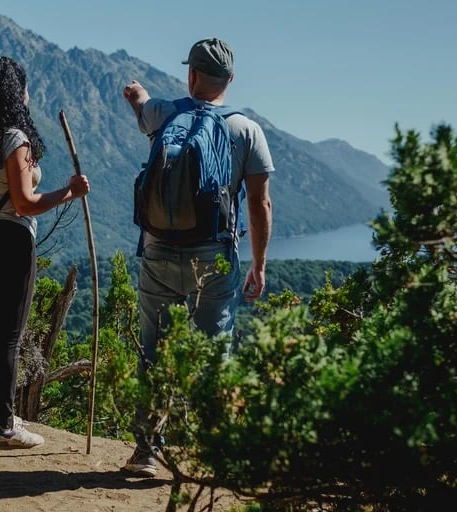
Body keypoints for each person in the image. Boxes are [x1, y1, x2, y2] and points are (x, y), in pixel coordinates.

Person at [121, 38, 275, 476]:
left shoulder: (164, 114)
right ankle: (213, 452)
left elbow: (142, 105)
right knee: (214, 352)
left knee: (153, 350)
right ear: (229, 80)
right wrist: (259, 266)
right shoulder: (246, 130)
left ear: (191, 76)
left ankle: (148, 450)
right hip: (215, 257)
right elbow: (259, 204)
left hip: (157, 251)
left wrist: (136, 96)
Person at [0, 56, 90, 449]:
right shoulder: (13, 138)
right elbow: (25, 203)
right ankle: (6, 426)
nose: (29, 95)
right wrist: (69, 191)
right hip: (10, 242)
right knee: (9, 335)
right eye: (25, 87)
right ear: (16, 93)